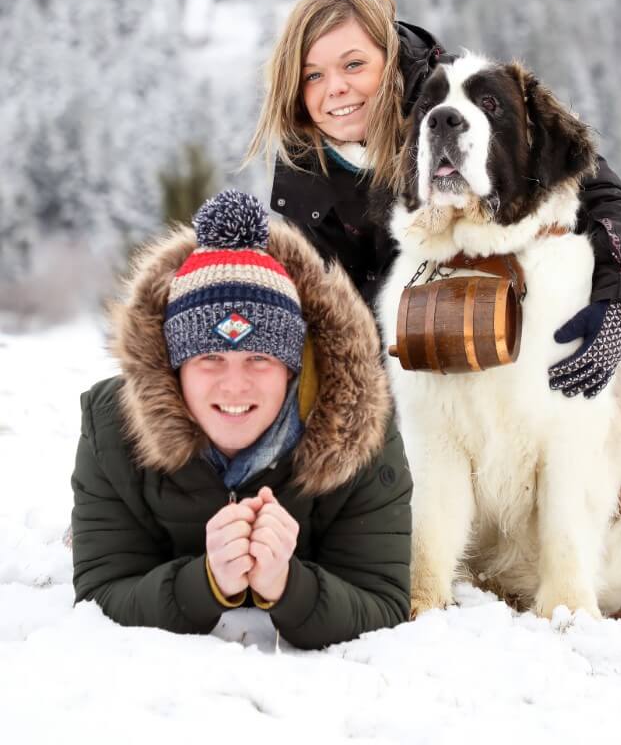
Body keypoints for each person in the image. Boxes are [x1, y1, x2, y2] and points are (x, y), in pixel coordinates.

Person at [243, 0, 621, 630]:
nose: (335, 87)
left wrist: (617, 302)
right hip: (402, 357)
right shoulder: (305, 183)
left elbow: (599, 193)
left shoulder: (464, 96)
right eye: (312, 75)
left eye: (353, 65)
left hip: (537, 297)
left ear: (392, 66)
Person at [71, 189, 412, 648]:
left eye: (258, 359)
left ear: (293, 365)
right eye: (210, 357)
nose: (234, 386)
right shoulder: (111, 429)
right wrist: (206, 582)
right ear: (175, 365)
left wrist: (288, 586)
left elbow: (383, 602)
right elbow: (101, 593)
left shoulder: (357, 427)